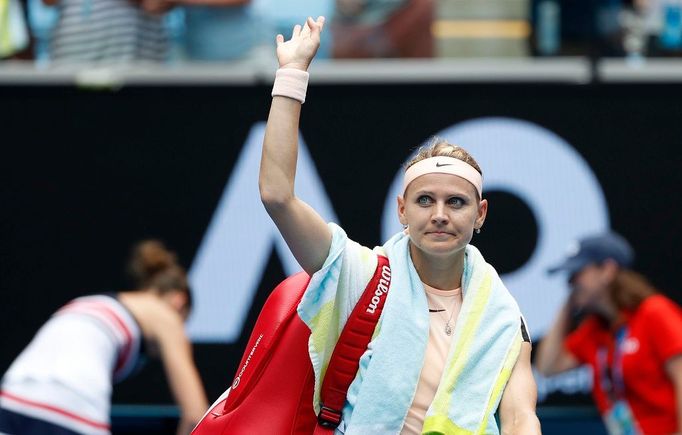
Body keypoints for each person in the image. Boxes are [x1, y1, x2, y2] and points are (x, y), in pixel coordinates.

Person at [258, 16, 541, 434]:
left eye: (456, 202)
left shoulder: (504, 315)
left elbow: (519, 416)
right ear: (402, 211)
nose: (440, 214)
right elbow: (277, 196)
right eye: (425, 200)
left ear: (480, 214)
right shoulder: (359, 276)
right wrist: (292, 75)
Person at [0, 240, 208, 435]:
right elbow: (195, 416)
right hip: (73, 413)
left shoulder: (93, 303)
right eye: (184, 322)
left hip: (11, 401)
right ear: (178, 302)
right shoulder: (166, 316)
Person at [536, 232, 682, 434]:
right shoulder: (594, 329)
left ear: (607, 270)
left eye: (578, 273)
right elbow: (547, 367)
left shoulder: (655, 313)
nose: (571, 282)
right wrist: (568, 305)